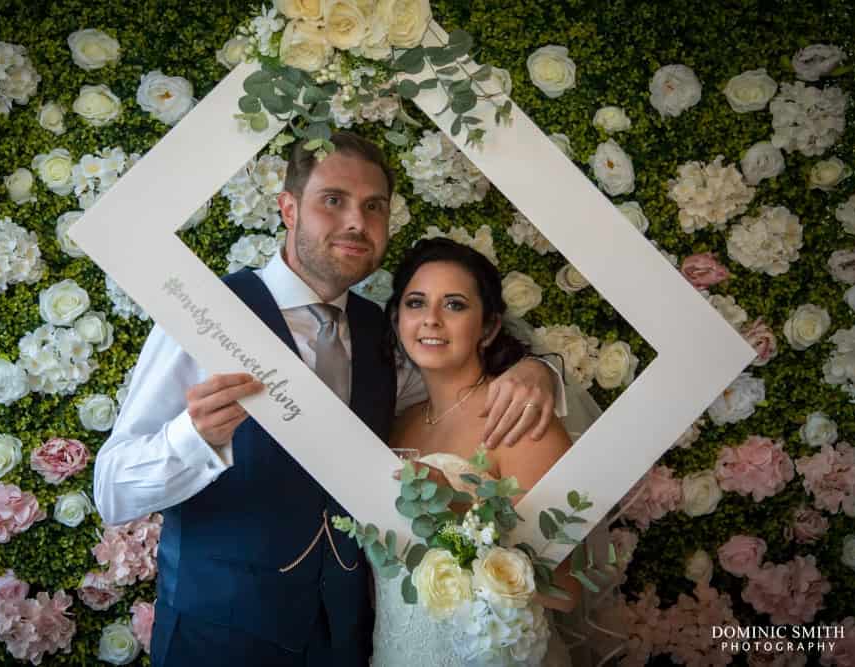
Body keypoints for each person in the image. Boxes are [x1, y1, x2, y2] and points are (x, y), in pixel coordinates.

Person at [93, 132, 566, 667]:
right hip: (218, 636)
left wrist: (539, 368)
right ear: (288, 208)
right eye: (333, 201)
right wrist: (192, 438)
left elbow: (456, 384)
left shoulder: (385, 334)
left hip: (345, 640)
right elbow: (112, 491)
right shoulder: (204, 316)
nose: (356, 224)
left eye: (374, 207)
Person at [372, 237, 589, 667]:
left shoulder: (518, 421)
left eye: (454, 305)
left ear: (488, 328)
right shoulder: (398, 423)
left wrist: (453, 514)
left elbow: (565, 589)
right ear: (397, 318)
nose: (431, 320)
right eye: (417, 303)